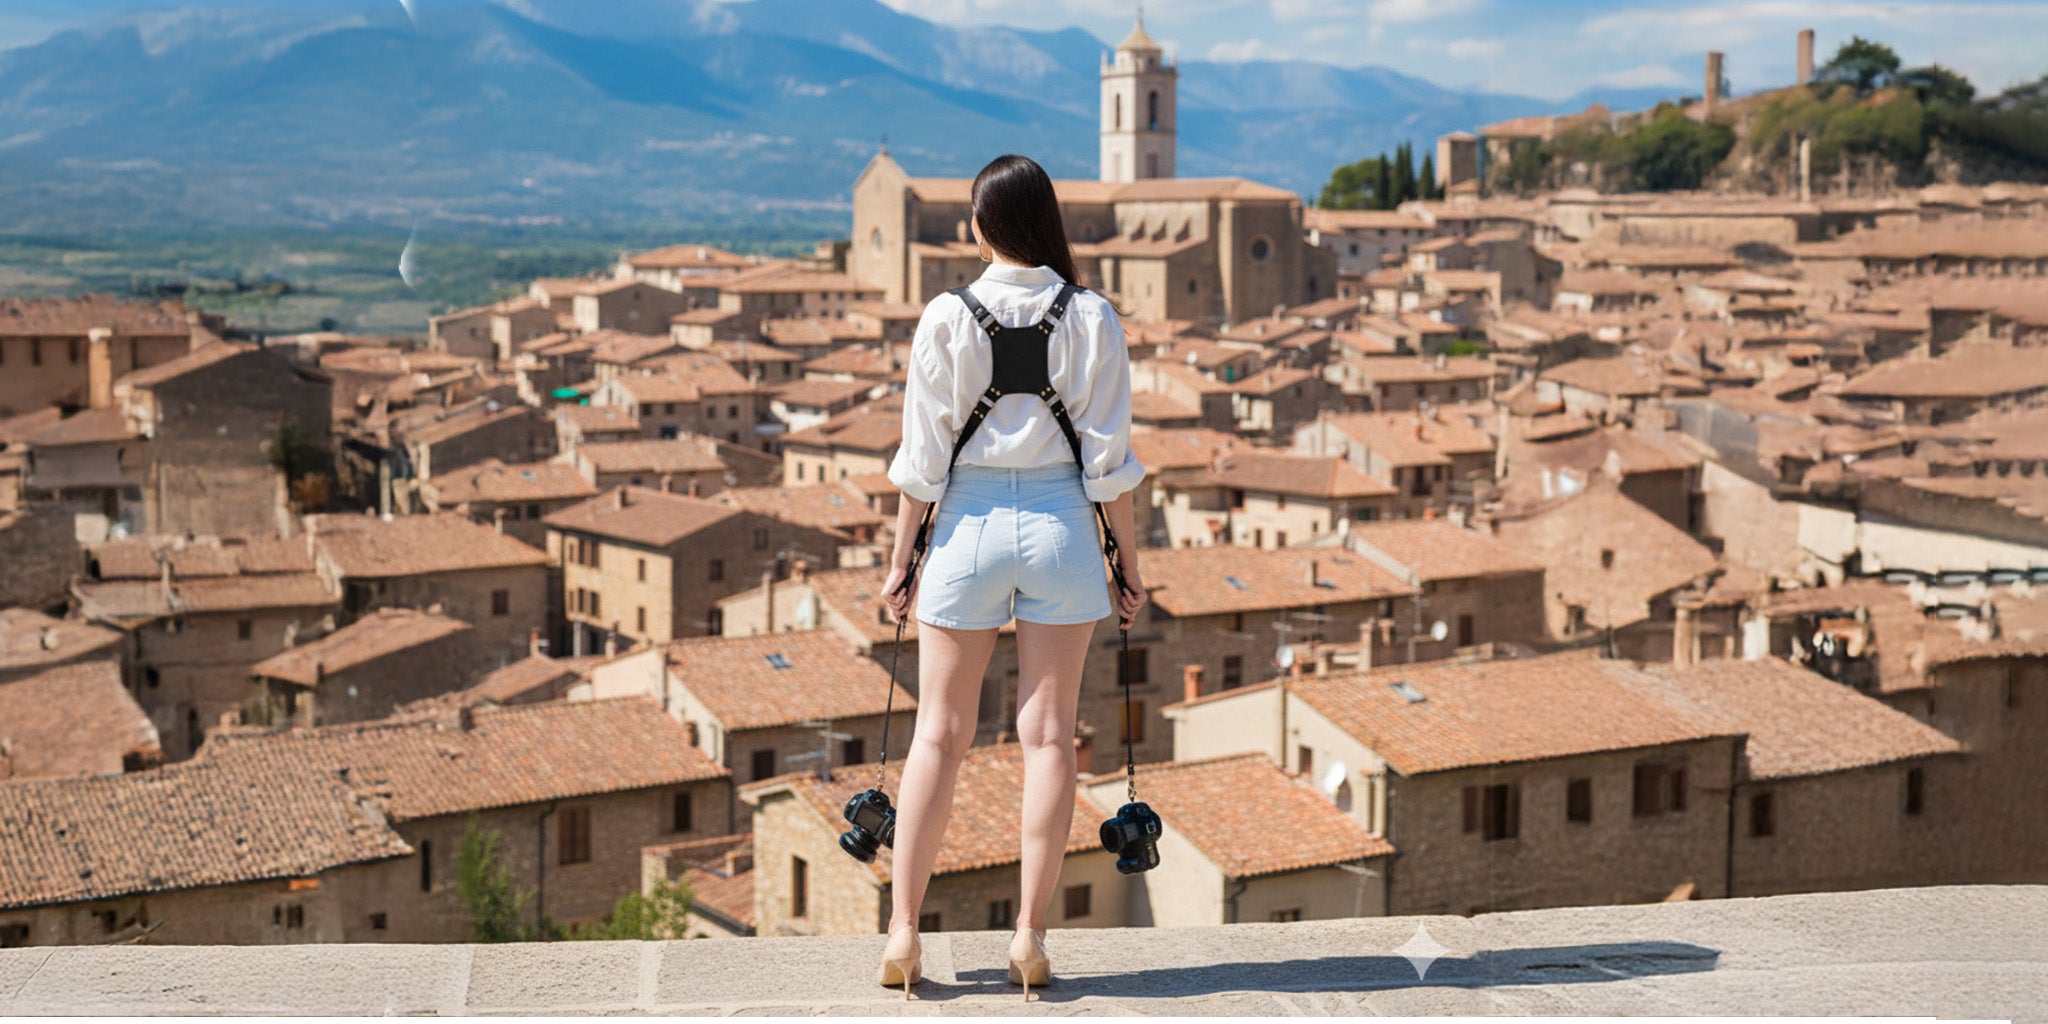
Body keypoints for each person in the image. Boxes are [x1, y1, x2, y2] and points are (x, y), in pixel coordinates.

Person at [875, 153, 1147, 999]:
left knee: (939, 735)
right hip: (1066, 530)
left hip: (966, 528)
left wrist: (899, 564)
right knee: (1050, 739)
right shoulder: (1094, 316)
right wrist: (1127, 565)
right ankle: (1030, 938)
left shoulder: (946, 317)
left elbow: (921, 463)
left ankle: (904, 934)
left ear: (982, 225)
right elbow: (1110, 465)